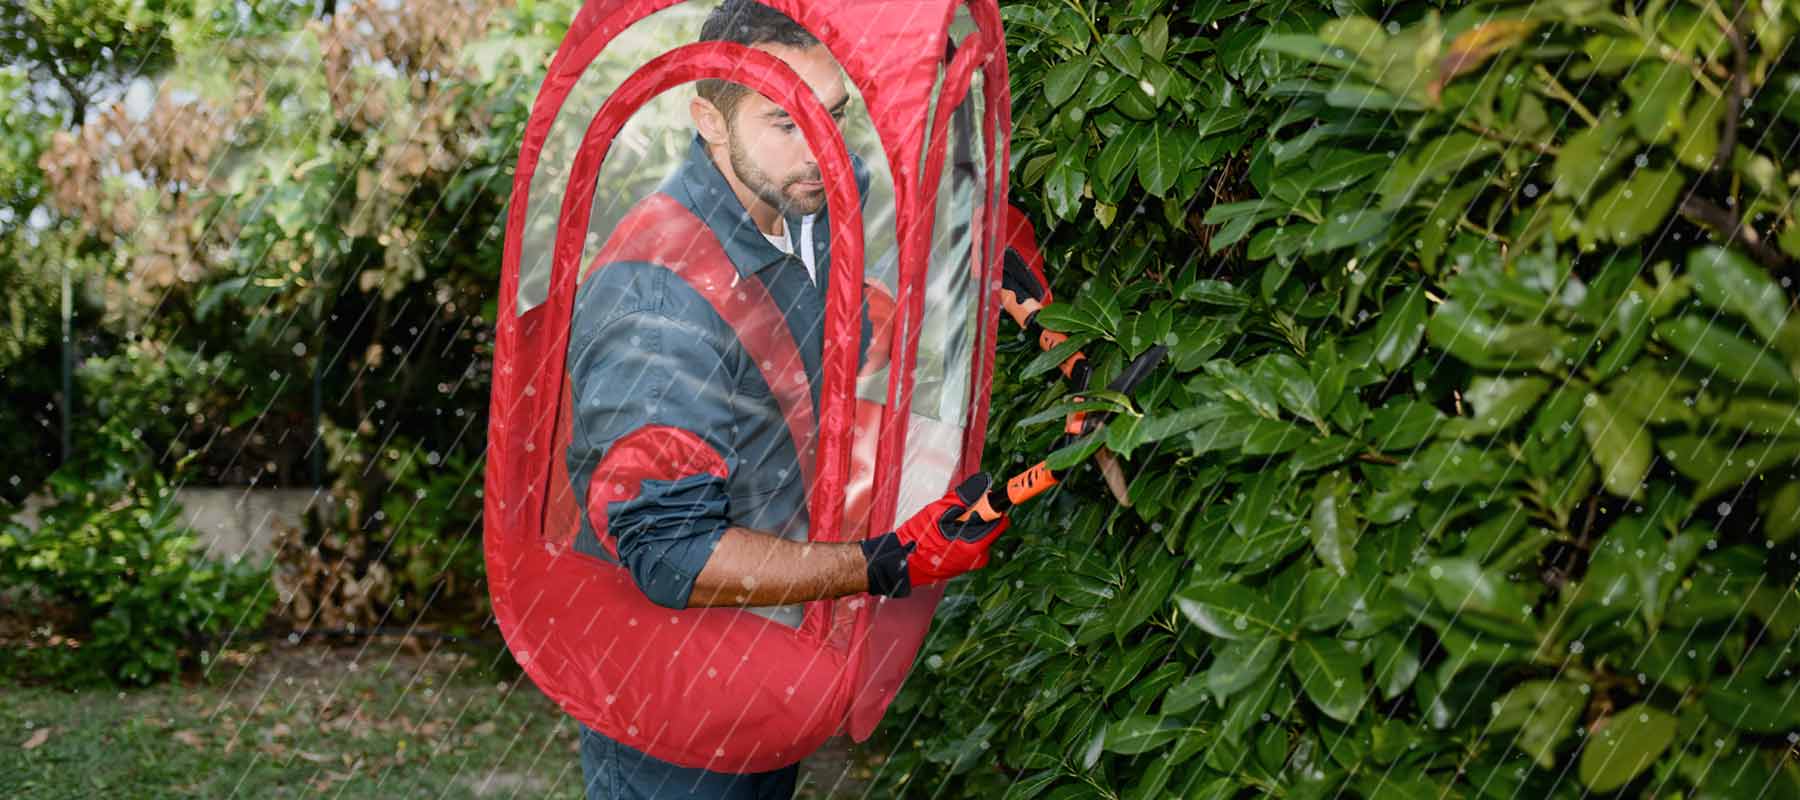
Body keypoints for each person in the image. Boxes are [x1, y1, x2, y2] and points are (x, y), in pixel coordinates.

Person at [562, 2, 1012, 797]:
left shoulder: (802, 197)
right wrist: (881, 564)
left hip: (761, 672)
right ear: (708, 119)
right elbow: (672, 554)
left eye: (832, 115)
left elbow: (915, 218)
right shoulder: (657, 299)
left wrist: (1015, 287)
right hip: (674, 716)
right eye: (787, 120)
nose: (823, 149)